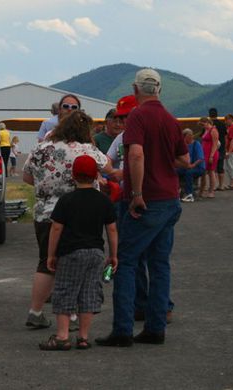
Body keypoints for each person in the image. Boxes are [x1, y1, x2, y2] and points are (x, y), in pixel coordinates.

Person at [96, 68, 188, 347]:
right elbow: (184, 160)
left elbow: (135, 153)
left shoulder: (136, 116)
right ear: (160, 90)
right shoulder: (171, 120)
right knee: (160, 264)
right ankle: (155, 327)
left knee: (125, 261)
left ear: (136, 90)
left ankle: (123, 330)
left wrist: (136, 193)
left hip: (146, 201)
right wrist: (162, 166)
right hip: (170, 200)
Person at [23, 108, 110, 330]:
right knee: (72, 265)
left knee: (46, 262)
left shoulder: (41, 148)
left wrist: (47, 190)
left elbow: (26, 176)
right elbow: (107, 167)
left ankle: (35, 311)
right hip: (77, 214)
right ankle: (70, 316)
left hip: (44, 213)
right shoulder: (86, 149)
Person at [38, 155, 118, 351]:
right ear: (95, 175)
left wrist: (50, 255)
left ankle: (62, 336)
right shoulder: (104, 200)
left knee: (65, 290)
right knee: (89, 293)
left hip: (71, 253)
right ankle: (83, 337)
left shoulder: (67, 200)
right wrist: (114, 254)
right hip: (96, 253)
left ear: (73, 175)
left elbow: (56, 228)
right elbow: (112, 230)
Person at [177, 128, 206, 202]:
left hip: (199, 167)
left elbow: (200, 158)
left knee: (189, 173)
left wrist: (192, 165)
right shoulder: (184, 145)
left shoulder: (196, 144)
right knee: (175, 171)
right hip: (187, 166)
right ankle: (177, 191)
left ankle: (189, 194)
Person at [198, 117, 219, 199]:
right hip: (204, 153)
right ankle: (202, 190)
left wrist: (211, 156)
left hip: (211, 153)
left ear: (207, 122)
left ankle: (211, 191)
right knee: (203, 172)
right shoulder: (206, 130)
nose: (203, 126)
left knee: (211, 172)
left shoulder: (213, 130)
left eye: (203, 124)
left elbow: (215, 144)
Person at [209, 108, 227, 191]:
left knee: (213, 168)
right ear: (217, 114)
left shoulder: (209, 125)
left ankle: (214, 185)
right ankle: (221, 185)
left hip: (212, 148)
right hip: (221, 147)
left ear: (209, 115)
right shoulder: (223, 124)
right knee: (220, 167)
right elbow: (225, 137)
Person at [224, 114, 233, 190]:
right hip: (228, 149)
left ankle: (232, 183)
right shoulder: (230, 127)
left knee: (231, 166)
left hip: (231, 150)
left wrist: (229, 152)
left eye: (226, 120)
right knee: (228, 167)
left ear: (230, 119)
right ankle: (231, 183)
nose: (226, 122)